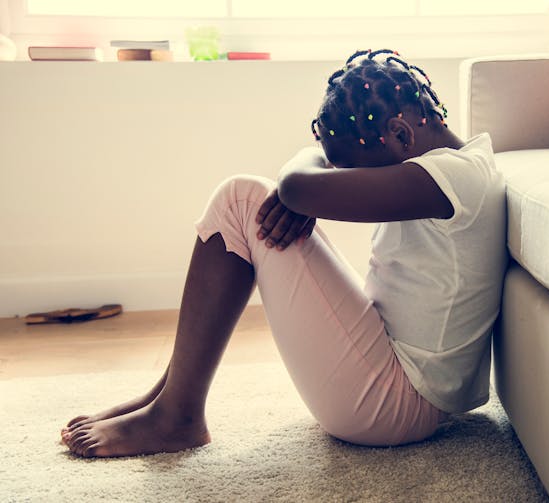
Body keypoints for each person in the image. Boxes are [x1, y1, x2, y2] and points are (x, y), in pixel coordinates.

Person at [61, 49, 505, 457]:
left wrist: (305, 187)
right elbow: (302, 190)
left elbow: (297, 185)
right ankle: (170, 396)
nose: (345, 179)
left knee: (241, 199)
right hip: (401, 382)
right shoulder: (465, 165)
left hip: (398, 406)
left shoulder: (448, 180)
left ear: (400, 134)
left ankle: (177, 414)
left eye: (352, 172)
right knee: (247, 200)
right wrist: (305, 194)